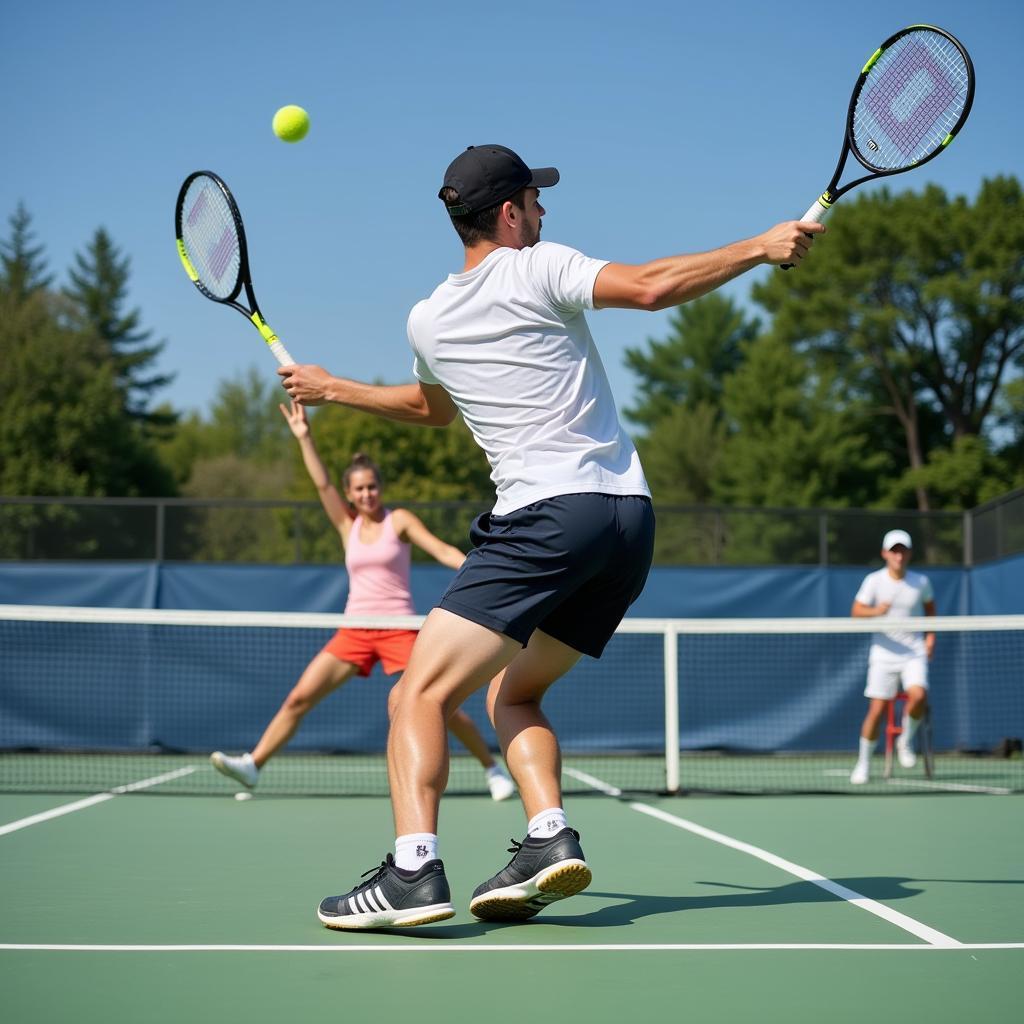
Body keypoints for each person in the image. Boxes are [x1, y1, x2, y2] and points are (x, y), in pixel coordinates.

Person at [278, 143, 824, 930]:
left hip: (545, 520)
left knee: (415, 695)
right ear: (509, 213)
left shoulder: (428, 316)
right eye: (536, 201)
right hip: (625, 523)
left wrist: (338, 390)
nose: (544, 213)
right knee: (514, 690)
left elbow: (440, 408)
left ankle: (411, 872)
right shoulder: (534, 269)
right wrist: (758, 244)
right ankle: (546, 837)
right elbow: (645, 290)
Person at [210, 399, 515, 803]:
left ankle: (492, 769)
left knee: (440, 705)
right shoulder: (346, 525)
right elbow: (321, 484)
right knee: (300, 698)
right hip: (354, 630)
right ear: (350, 496)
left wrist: (485, 575)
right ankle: (253, 765)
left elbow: (441, 550)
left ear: (379, 488)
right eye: (359, 489)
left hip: (399, 630)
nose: (367, 494)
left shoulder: (399, 520)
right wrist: (305, 438)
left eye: (372, 486)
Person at [849, 529, 936, 785]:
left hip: (914, 652)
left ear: (909, 553)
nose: (899, 555)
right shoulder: (873, 581)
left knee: (919, 695)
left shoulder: (921, 582)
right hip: (884, 654)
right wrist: (877, 610)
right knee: (876, 711)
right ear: (885, 553)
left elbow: (931, 611)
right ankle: (863, 763)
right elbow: (856, 611)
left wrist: (931, 637)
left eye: (903, 550)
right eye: (894, 550)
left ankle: (904, 742)